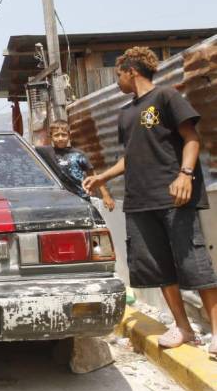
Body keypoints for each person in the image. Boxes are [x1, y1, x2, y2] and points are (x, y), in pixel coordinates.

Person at [83, 47, 217, 357]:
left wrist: (185, 174)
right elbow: (130, 156)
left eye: (119, 74)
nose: (117, 81)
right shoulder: (125, 114)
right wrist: (102, 177)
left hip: (174, 196)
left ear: (131, 70)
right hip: (139, 201)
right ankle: (182, 327)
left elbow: (192, 138)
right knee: (157, 267)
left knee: (193, 263)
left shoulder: (167, 97)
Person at [36, 121, 115, 211]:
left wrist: (106, 195)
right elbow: (32, 148)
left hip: (81, 198)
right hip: (59, 201)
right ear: (51, 137)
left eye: (64, 135)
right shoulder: (47, 152)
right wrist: (42, 134)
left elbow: (93, 175)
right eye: (56, 135)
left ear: (69, 136)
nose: (60, 138)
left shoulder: (78, 154)